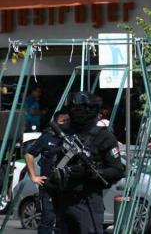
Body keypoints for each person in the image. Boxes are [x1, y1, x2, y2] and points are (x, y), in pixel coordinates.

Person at [47, 92, 125, 234]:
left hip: (88, 200)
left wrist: (91, 173)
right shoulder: (64, 133)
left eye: (82, 109)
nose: (78, 112)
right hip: (64, 200)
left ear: (92, 109)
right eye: (75, 109)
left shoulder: (104, 136)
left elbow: (117, 170)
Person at [24, 110, 70, 234]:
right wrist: (34, 177)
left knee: (64, 220)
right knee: (48, 219)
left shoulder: (71, 138)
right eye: (62, 121)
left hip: (66, 186)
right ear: (56, 122)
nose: (65, 123)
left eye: (67, 120)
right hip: (49, 185)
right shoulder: (47, 137)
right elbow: (29, 155)